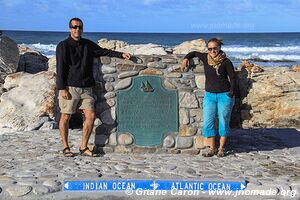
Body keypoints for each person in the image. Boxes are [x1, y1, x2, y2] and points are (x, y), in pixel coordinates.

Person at [56, 17, 131, 157]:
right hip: (70, 87)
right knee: (65, 117)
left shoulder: (87, 45)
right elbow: (60, 68)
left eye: (79, 27)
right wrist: (62, 88)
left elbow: (103, 51)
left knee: (90, 116)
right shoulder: (63, 45)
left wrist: (120, 54)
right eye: (74, 27)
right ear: (69, 29)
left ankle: (83, 147)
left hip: (87, 88)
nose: (77, 29)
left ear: (82, 29)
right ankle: (66, 147)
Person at [182, 38, 236, 157]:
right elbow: (194, 53)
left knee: (223, 121)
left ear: (219, 48)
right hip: (210, 96)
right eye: (210, 48)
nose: (212, 51)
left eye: (215, 48)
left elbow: (233, 78)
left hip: (224, 95)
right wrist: (186, 58)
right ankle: (212, 148)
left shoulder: (226, 62)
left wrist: (231, 93)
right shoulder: (206, 58)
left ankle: (221, 149)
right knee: (208, 122)